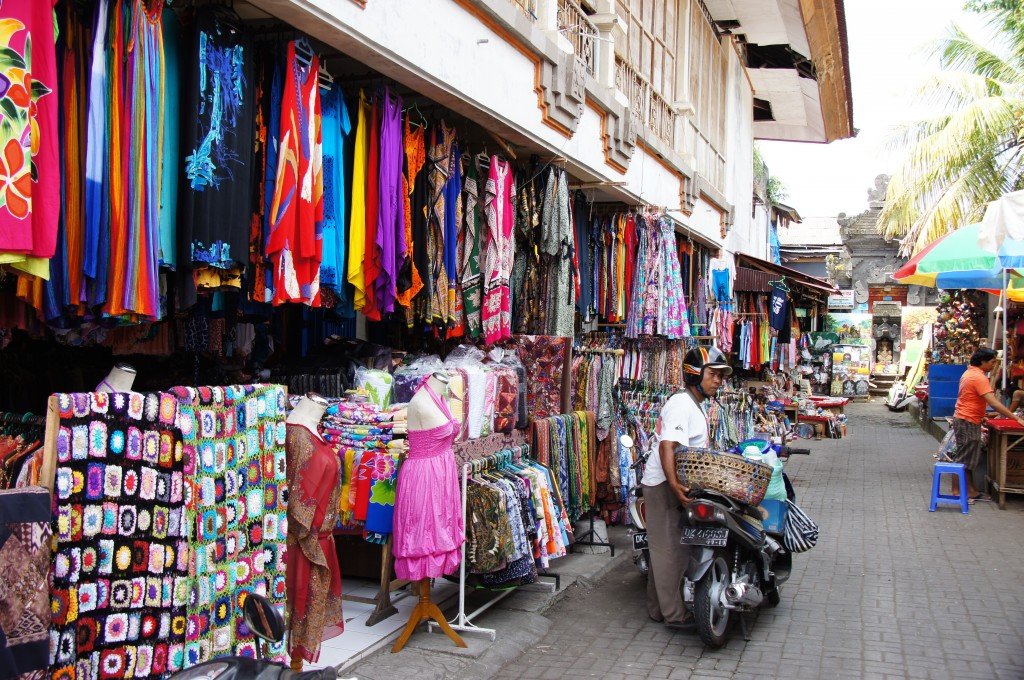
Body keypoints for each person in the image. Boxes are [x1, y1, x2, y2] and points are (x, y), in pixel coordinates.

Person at [641, 346, 731, 629]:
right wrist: (676, 486)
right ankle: (675, 615)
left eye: (720, 376)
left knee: (664, 548)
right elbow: (669, 445)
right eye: (713, 374)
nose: (718, 380)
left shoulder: (692, 405)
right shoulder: (681, 403)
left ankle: (658, 609)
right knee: (670, 552)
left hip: (670, 482)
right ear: (695, 374)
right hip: (664, 485)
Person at [952, 348, 1024, 502]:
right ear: (983, 361)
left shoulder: (970, 373)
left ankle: (971, 491)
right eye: (992, 362)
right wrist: (1014, 418)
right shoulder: (978, 377)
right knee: (964, 458)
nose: (993, 365)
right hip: (967, 420)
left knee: (969, 458)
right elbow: (993, 402)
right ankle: (957, 491)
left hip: (968, 418)